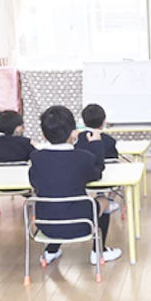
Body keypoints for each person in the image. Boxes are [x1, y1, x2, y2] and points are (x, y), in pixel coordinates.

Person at [29, 106, 121, 265]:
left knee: (58, 204)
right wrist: (96, 145)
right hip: (81, 224)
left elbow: (34, 181)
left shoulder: (37, 157)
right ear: (74, 133)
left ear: (44, 135)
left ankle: (51, 250)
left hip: (45, 226)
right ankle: (99, 251)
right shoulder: (82, 158)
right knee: (104, 202)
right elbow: (97, 174)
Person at [76, 104, 121, 213]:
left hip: (83, 181)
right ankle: (109, 200)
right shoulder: (110, 141)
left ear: (84, 121)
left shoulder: (77, 139)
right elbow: (114, 161)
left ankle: (101, 202)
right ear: (104, 121)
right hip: (108, 181)